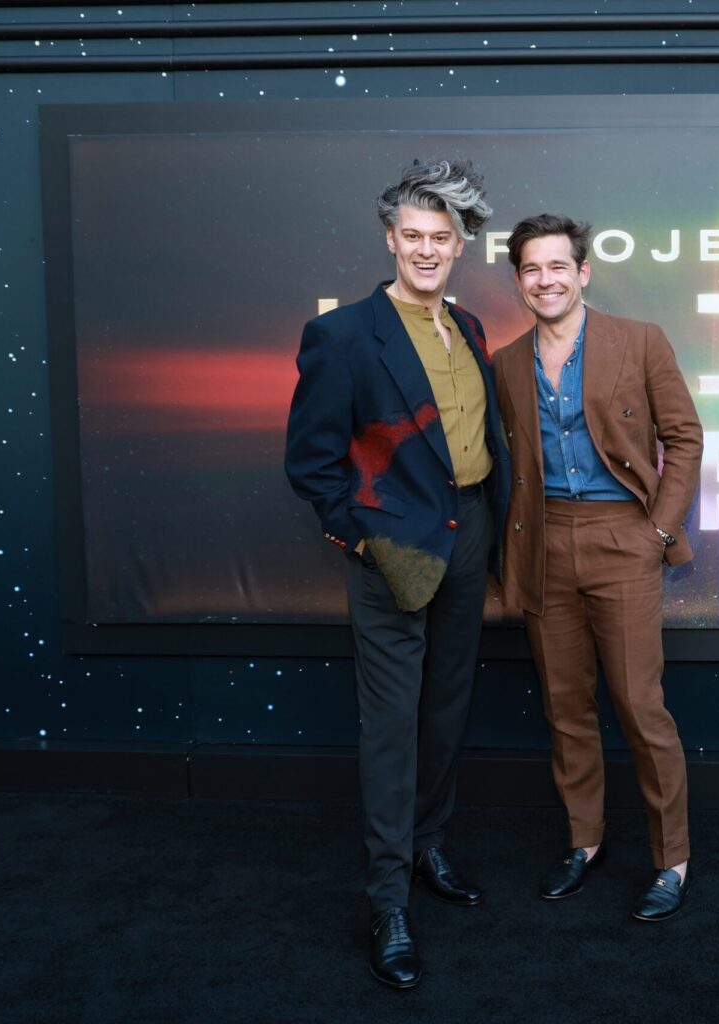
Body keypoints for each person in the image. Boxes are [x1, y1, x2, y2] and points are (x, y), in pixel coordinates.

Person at [284, 160, 510, 988]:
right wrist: (360, 541)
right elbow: (311, 462)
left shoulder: (470, 326)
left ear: (460, 246)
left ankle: (427, 845)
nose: (425, 250)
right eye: (411, 236)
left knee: (445, 710)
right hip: (393, 550)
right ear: (390, 240)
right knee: (390, 727)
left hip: (469, 533)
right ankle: (388, 901)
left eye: (439, 238)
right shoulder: (344, 335)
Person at [492, 213, 703, 922]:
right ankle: (584, 843)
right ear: (519, 280)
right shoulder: (506, 363)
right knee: (566, 707)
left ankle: (672, 860)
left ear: (582, 272)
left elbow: (685, 436)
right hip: (544, 542)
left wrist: (657, 530)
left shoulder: (639, 340)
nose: (545, 279)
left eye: (558, 266)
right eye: (531, 269)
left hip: (623, 538)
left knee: (640, 706)